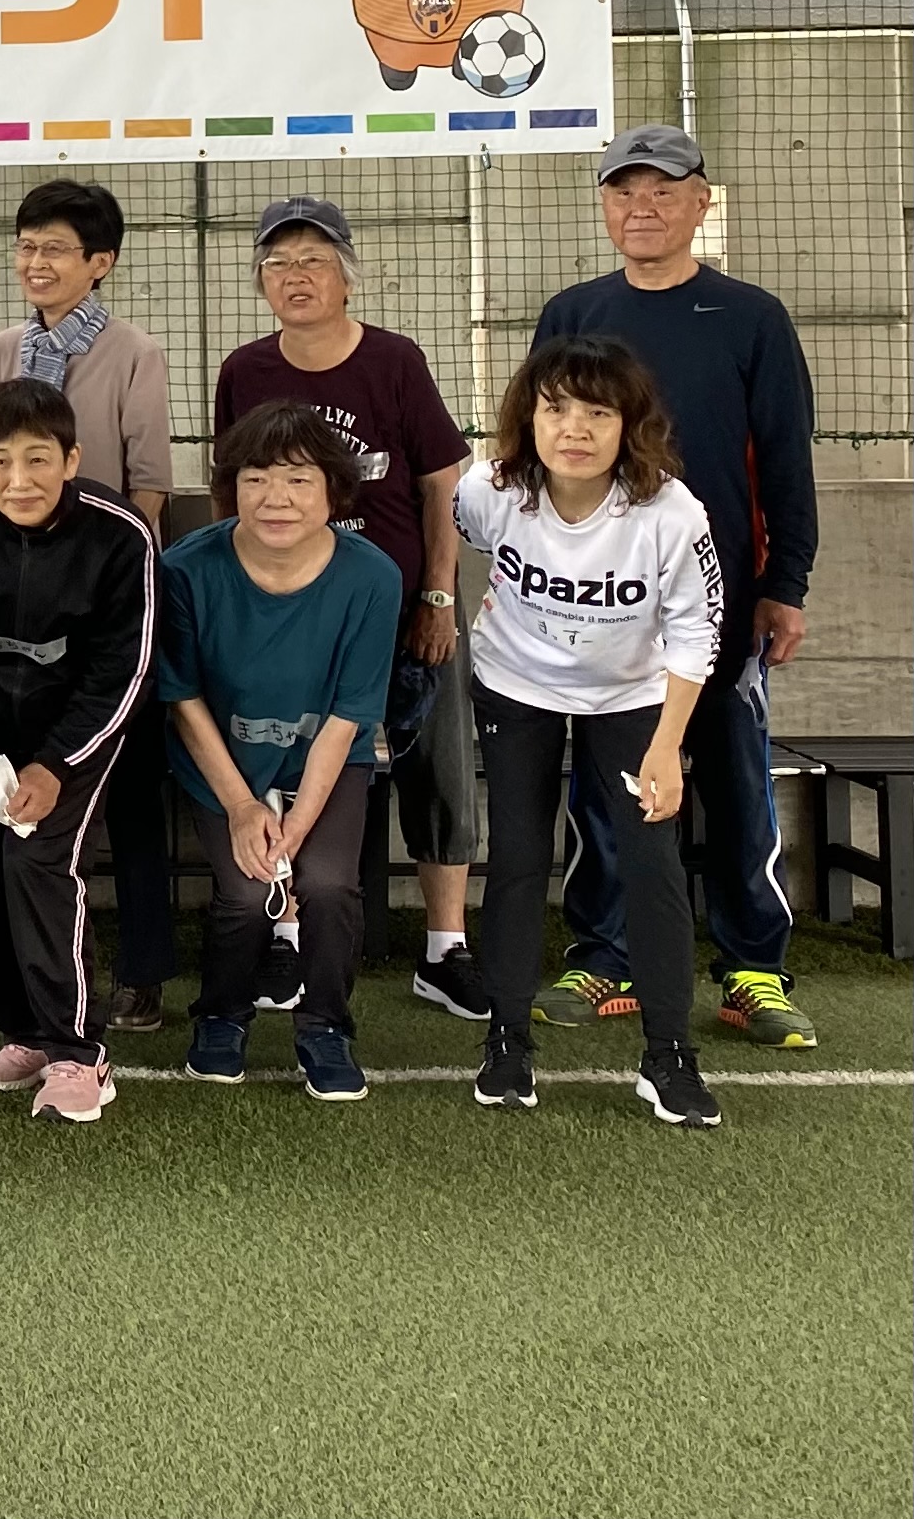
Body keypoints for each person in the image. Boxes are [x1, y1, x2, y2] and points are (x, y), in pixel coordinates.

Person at [534, 125, 822, 1048]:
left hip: (723, 603)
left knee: (735, 786)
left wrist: (784, 583)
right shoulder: (572, 312)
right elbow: (540, 458)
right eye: (624, 191)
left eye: (662, 191)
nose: (642, 208)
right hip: (600, 612)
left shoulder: (750, 317)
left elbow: (783, 461)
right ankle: (604, 956)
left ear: (701, 201)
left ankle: (752, 970)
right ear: (603, 206)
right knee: (604, 790)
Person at [213, 195, 480, 1025]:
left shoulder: (394, 361)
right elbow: (230, 495)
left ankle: (444, 947)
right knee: (283, 768)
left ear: (346, 277)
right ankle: (286, 933)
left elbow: (439, 485)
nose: (295, 277)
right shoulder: (244, 372)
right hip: (293, 618)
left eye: (313, 262)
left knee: (436, 768)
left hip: (403, 608)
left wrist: (438, 594)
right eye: (277, 264)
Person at [455, 336, 725, 1125]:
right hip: (514, 685)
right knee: (517, 856)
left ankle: (667, 1055)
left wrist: (666, 747)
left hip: (632, 695)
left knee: (650, 862)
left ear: (627, 426)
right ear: (528, 418)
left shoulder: (670, 512)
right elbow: (462, 542)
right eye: (555, 409)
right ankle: (506, 1044)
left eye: (597, 413)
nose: (573, 428)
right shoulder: (487, 490)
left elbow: (695, 630)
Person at [0, 379, 158, 1125]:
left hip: (76, 738)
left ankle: (78, 1053)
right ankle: (24, 1034)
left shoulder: (121, 535)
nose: (18, 480)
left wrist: (55, 766)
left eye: (37, 460)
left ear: (71, 459)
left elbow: (124, 670)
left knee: (37, 863)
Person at [0, 180, 180, 1035]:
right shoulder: (1, 351)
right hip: (16, 608)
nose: (36, 263)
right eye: (26, 246)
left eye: (55, 249)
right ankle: (34, 971)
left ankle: (141, 972)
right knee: (23, 793)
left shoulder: (135, 353)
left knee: (127, 793)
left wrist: (115, 581)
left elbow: (149, 488)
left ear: (100, 263)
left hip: (106, 594)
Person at [159, 402, 402, 1103]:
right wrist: (241, 806)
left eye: (298, 480)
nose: (276, 498)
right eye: (256, 478)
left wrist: (297, 826)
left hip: (325, 758)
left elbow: (347, 718)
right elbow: (182, 699)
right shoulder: (185, 569)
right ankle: (220, 1016)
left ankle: (325, 1027)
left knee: (328, 884)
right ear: (230, 486)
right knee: (243, 891)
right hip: (222, 762)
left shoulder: (373, 577)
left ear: (333, 490)